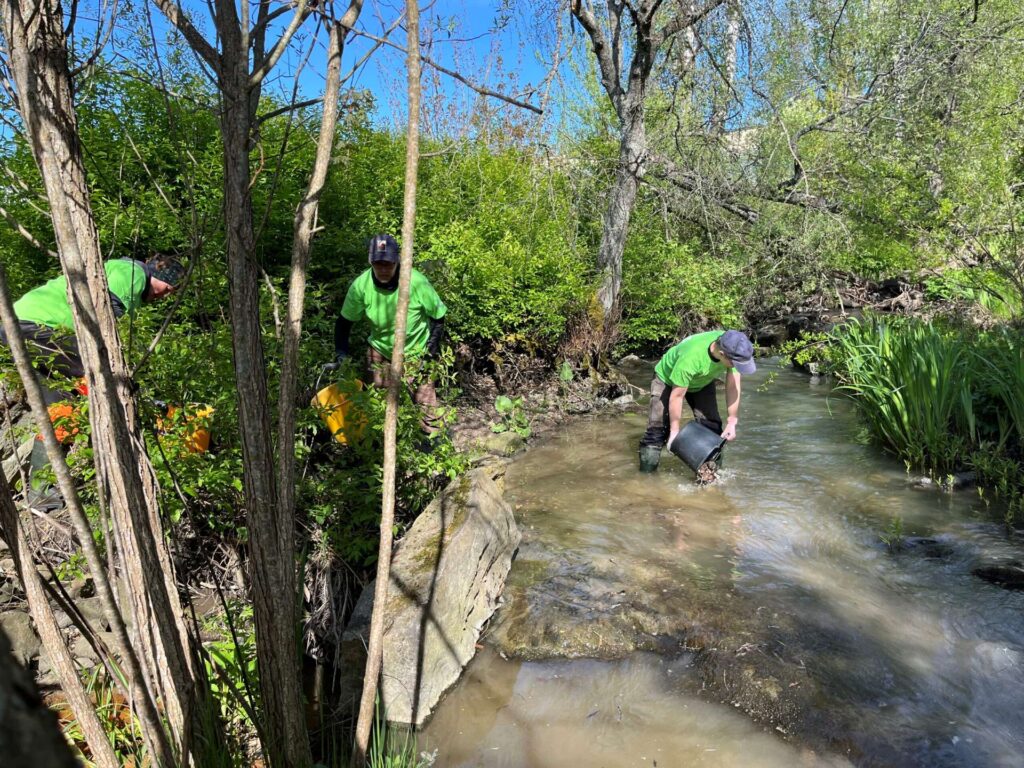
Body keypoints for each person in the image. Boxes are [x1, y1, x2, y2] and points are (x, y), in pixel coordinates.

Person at [0, 255, 184, 508]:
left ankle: (41, 496)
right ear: (157, 273)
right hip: (37, 327)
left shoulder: (122, 273)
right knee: (100, 377)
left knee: (64, 412)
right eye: (166, 288)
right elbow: (107, 324)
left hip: (17, 331)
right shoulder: (132, 273)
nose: (164, 296)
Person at [333, 234, 447, 433]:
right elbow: (344, 323)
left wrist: (431, 351)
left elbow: (438, 317)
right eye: (378, 264)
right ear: (371, 262)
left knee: (425, 400)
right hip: (380, 348)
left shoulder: (416, 282)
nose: (383, 270)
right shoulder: (361, 286)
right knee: (374, 399)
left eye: (388, 264)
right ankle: (382, 443)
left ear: (397, 261)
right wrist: (341, 354)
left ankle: (435, 444)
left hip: (416, 349)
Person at [638, 329, 756, 472]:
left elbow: (733, 386)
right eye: (735, 364)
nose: (738, 367)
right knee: (656, 431)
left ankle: (710, 478)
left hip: (702, 382)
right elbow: (677, 396)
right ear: (722, 354)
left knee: (712, 429)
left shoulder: (733, 346)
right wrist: (674, 432)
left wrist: (732, 421)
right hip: (667, 380)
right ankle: (646, 479)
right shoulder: (692, 357)